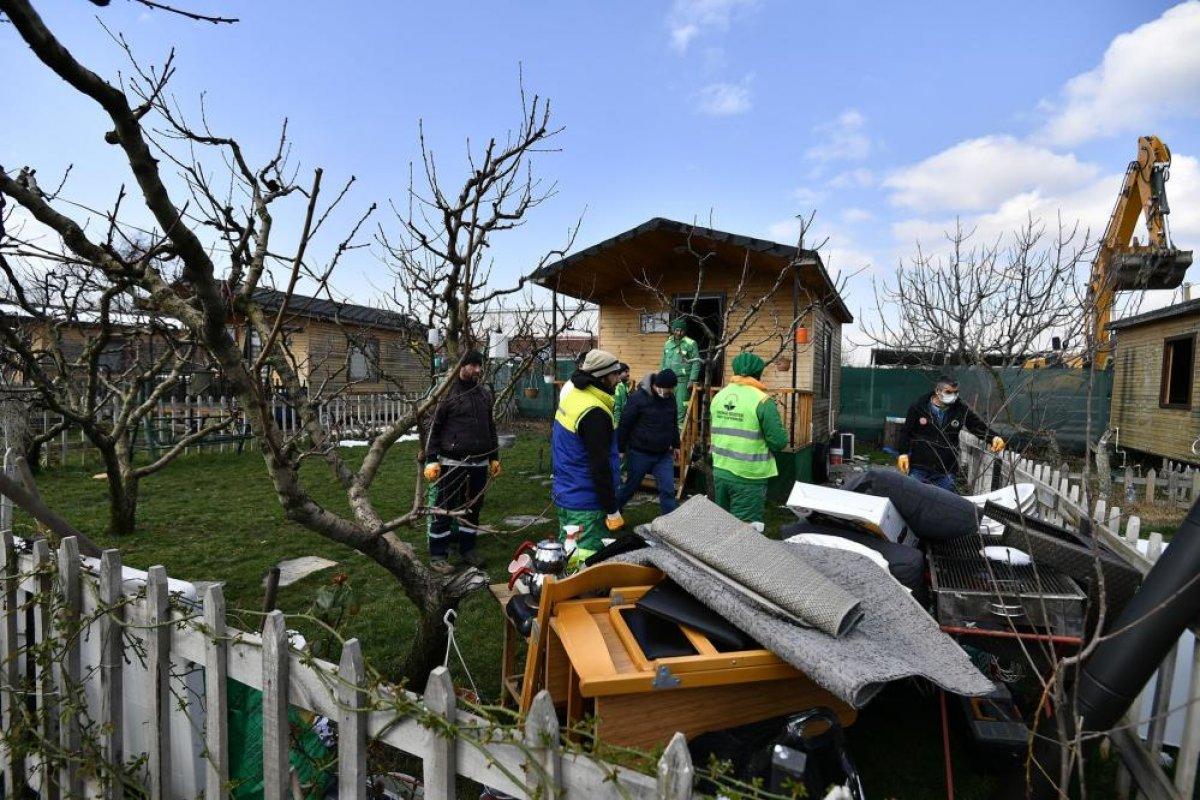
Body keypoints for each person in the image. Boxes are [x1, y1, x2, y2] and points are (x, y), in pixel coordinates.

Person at [423, 350, 500, 573]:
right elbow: (433, 428)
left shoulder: (484, 394)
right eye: (473, 365)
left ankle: (468, 549)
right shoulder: (446, 393)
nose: (477, 370)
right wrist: (431, 459)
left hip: (479, 463)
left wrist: (494, 457)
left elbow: (490, 427)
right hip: (452, 462)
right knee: (444, 508)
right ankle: (438, 555)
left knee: (473, 508)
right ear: (461, 366)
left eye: (479, 365)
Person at [551, 349, 626, 560]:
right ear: (602, 377)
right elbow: (600, 466)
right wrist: (612, 509)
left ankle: (562, 587)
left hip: (566, 492)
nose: (618, 379)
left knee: (569, 550)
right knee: (586, 559)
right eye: (615, 374)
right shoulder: (595, 412)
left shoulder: (573, 394)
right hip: (587, 501)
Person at [710, 352, 787, 531]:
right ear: (758, 373)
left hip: (720, 471)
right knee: (746, 534)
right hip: (749, 476)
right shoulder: (762, 400)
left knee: (722, 528)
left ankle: (714, 559)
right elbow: (779, 441)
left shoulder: (719, 397)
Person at [896, 375, 1006, 492]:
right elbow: (906, 432)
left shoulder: (960, 410)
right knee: (914, 497)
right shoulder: (919, 408)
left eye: (956, 392)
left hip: (946, 471)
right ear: (938, 391)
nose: (953, 395)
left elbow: (976, 426)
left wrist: (993, 437)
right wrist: (903, 453)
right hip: (920, 467)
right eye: (948, 392)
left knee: (945, 504)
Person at [616, 369, 681, 514]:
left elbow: (673, 423)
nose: (669, 392)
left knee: (668, 490)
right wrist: (620, 449)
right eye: (667, 389)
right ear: (657, 386)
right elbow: (625, 424)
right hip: (640, 453)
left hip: (663, 454)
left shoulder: (670, 398)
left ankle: (670, 525)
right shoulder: (638, 398)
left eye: (671, 390)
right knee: (630, 487)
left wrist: (677, 445)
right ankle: (613, 512)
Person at [661, 319, 701, 427]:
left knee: (681, 409)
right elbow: (663, 362)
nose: (679, 333)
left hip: (682, 382)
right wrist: (661, 379)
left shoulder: (691, 343)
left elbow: (696, 362)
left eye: (682, 331)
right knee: (666, 408)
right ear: (673, 330)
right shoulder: (667, 343)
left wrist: (692, 380)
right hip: (668, 382)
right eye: (677, 330)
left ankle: (680, 438)